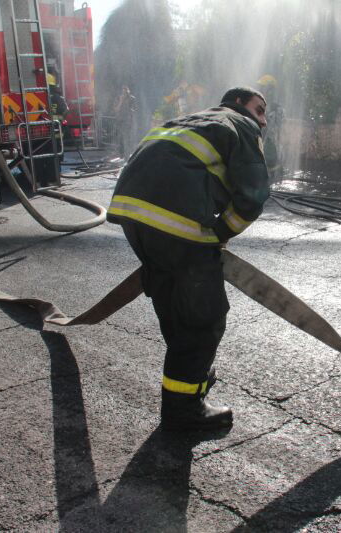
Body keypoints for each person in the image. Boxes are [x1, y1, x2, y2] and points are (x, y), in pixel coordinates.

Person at [107, 87, 270, 430]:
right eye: (261, 109)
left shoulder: (190, 120)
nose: (264, 120)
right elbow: (253, 196)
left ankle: (191, 377)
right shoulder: (240, 124)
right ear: (239, 103)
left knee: (174, 300)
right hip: (176, 220)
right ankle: (184, 410)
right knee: (203, 317)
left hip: (131, 215)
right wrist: (219, 234)